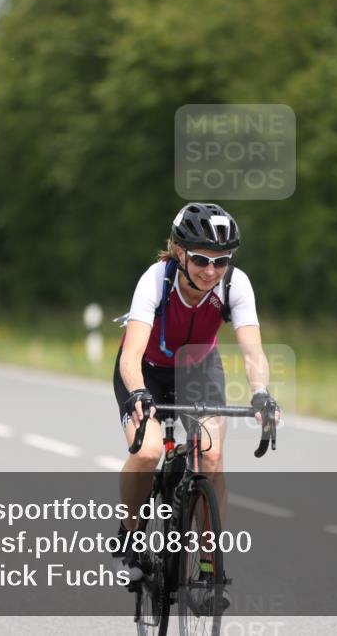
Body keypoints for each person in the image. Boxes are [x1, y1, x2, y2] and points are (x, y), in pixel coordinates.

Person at [111, 202, 281, 603]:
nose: (211, 271)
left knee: (212, 455)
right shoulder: (156, 280)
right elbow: (130, 355)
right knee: (149, 448)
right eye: (202, 259)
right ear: (179, 252)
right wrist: (138, 394)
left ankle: (208, 566)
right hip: (147, 371)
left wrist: (261, 394)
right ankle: (132, 531)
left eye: (221, 262)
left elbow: (254, 353)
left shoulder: (234, 285)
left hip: (199, 371)